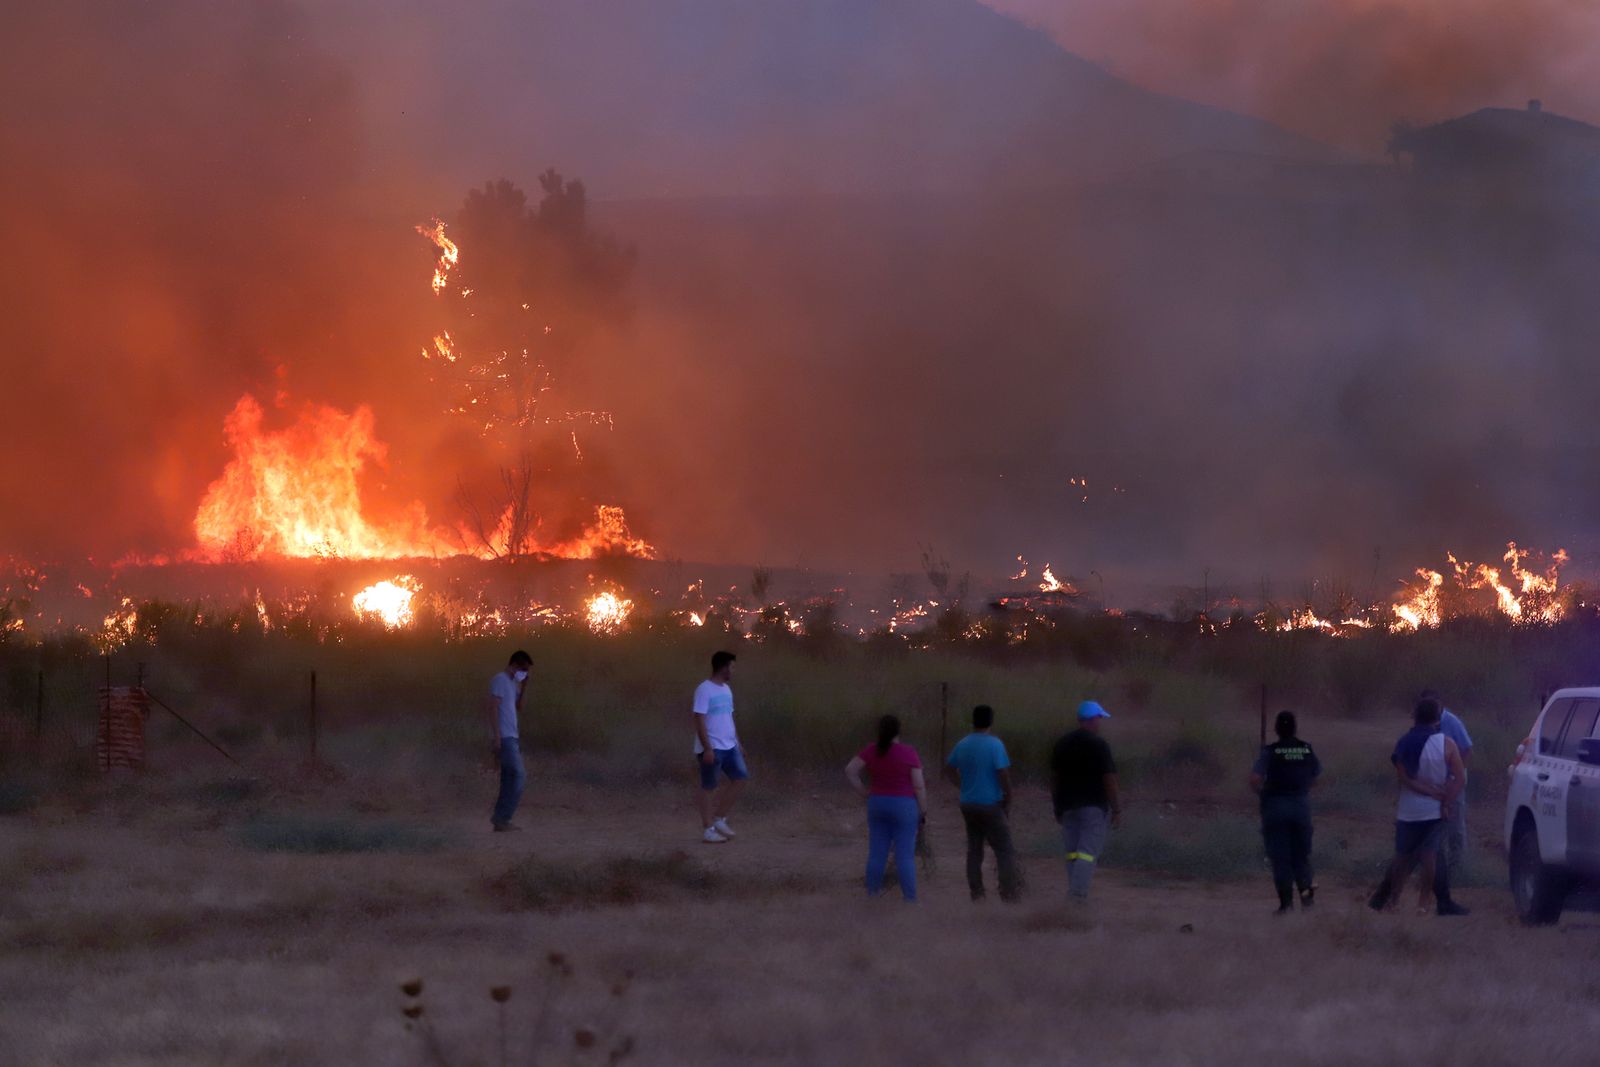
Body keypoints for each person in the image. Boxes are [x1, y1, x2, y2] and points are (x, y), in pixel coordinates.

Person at [1367, 690, 1471, 916]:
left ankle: (1392, 901)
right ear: (1437, 717)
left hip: (1408, 810)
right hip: (1433, 811)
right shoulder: (1447, 743)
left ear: (1415, 716)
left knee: (1402, 857)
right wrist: (1445, 800)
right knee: (1431, 857)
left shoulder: (1404, 742)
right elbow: (1460, 777)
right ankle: (1424, 903)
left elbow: (1403, 777)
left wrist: (1425, 790)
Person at [846, 714, 927, 901]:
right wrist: (923, 810)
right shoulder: (909, 752)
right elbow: (918, 785)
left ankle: (872, 896)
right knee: (905, 857)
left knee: (876, 854)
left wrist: (864, 792)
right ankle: (910, 900)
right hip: (904, 805)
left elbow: (850, 770)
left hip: (877, 803)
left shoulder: (872, 750)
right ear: (899, 730)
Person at [945, 704, 1021, 902]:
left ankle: (977, 894)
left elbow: (949, 769)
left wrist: (963, 786)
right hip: (990, 804)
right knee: (1004, 850)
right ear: (991, 721)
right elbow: (1002, 773)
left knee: (974, 849)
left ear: (973, 721)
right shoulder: (995, 745)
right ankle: (1008, 893)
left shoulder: (962, 744)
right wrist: (1009, 797)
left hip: (968, 804)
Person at [1250, 710, 1322, 913]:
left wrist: (1263, 795)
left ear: (1276, 729)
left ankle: (1286, 905)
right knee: (1301, 859)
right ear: (1295, 728)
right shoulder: (1306, 750)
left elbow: (1254, 779)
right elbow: (1316, 777)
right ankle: (1307, 903)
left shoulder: (1270, 751)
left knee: (1281, 859)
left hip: (1275, 809)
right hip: (1300, 809)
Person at [1050, 700, 1122, 900]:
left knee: (1072, 854)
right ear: (1092, 719)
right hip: (1093, 807)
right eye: (1099, 718)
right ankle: (1077, 898)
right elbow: (1109, 779)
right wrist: (1116, 809)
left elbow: (1054, 779)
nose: (1100, 723)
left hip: (1066, 807)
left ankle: (1074, 894)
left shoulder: (1062, 744)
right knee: (1087, 854)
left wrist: (1056, 806)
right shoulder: (1099, 745)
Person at [693, 650, 748, 844]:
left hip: (730, 745)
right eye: (732, 667)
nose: (733, 670)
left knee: (740, 778)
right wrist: (707, 748)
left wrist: (738, 742)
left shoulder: (726, 689)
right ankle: (708, 829)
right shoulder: (704, 689)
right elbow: (699, 720)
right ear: (723, 667)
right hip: (713, 746)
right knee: (709, 787)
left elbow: (728, 717)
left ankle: (719, 818)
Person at [1422, 688, 1473, 876]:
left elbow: (1467, 748)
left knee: (1455, 822)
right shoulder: (1424, 721)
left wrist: (1456, 774)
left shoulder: (1451, 721)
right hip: (1433, 781)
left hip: (1454, 779)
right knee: (1434, 822)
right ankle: (1435, 864)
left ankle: (1458, 866)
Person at [487, 650, 532, 832]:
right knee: (518, 776)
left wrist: (524, 686)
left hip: (512, 736)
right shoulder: (499, 679)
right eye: (524, 669)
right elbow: (492, 708)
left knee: (508, 779)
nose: (524, 673)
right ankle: (503, 818)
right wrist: (497, 737)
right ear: (514, 665)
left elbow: (518, 707)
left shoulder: (512, 684)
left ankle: (500, 819)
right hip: (505, 736)